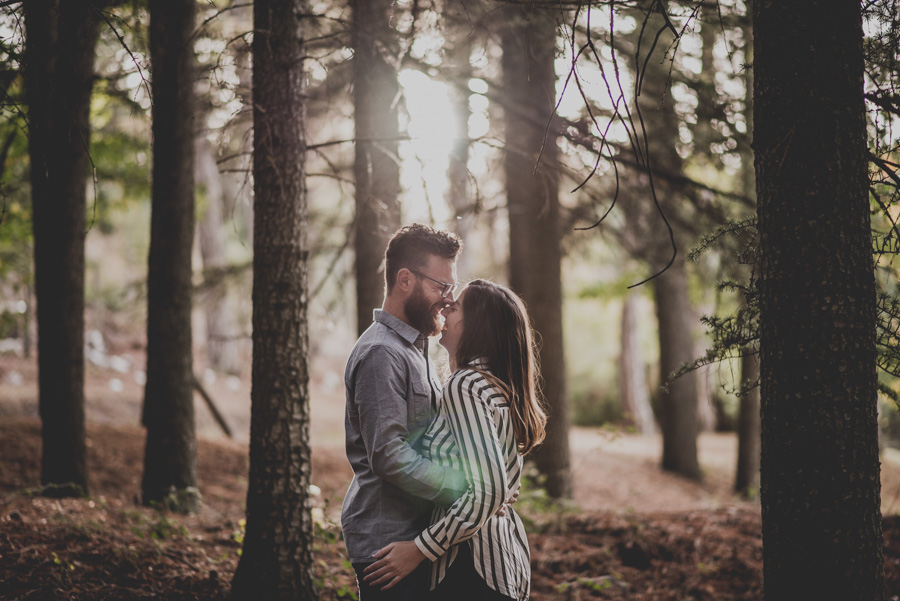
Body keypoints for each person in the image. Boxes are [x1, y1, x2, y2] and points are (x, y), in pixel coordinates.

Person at [362, 279, 548, 601]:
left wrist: (419, 549)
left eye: (456, 305)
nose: (446, 308)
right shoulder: (497, 386)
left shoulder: (466, 386)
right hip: (503, 559)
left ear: (478, 324)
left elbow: (489, 490)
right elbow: (498, 485)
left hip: (471, 565)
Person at [342, 223, 470, 601]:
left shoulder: (415, 348)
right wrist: (463, 487)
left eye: (452, 289)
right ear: (404, 280)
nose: (448, 300)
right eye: (441, 286)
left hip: (414, 536)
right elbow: (389, 454)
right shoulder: (382, 352)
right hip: (388, 544)